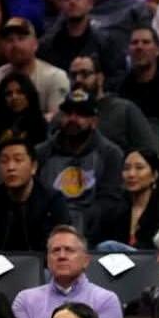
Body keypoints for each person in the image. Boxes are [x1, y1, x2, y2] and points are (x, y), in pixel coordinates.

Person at [11, 225, 122, 318]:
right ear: (47, 260)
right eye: (55, 250)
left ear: (86, 261)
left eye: (69, 250)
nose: (62, 256)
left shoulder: (106, 300)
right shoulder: (26, 300)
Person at [34, 88, 125, 227]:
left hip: (91, 229)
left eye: (80, 114)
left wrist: (79, 221)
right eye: (68, 113)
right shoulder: (41, 152)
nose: (72, 119)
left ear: (94, 121)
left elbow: (109, 202)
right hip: (48, 224)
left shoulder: (111, 154)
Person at [0, 137, 70, 252]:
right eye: (4, 161)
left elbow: (62, 245)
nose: (10, 167)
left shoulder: (53, 201)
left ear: (33, 167)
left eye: (18, 160)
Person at [89, 147, 159, 249]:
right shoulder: (113, 209)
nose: (131, 174)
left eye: (139, 168)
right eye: (126, 168)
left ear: (154, 175)